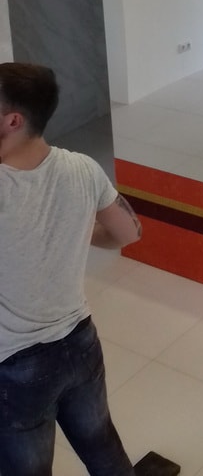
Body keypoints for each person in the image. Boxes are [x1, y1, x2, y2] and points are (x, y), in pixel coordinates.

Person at [0, 62, 141, 475]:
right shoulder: (83, 168)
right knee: (102, 447)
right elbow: (129, 232)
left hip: (17, 365)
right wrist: (75, 227)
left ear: (12, 120)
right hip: (80, 342)